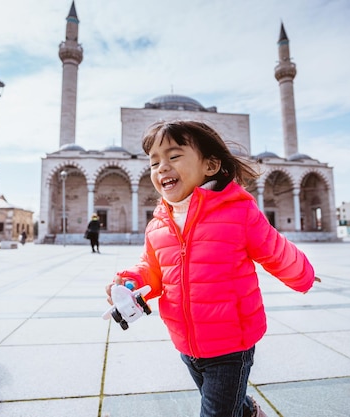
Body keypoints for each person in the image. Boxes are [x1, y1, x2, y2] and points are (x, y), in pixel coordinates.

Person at [105, 120, 320, 417]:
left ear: (210, 165)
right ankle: (248, 411)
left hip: (232, 344)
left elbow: (275, 249)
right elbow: (152, 269)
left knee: (217, 410)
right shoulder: (158, 224)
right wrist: (130, 282)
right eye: (154, 162)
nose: (162, 167)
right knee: (225, 400)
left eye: (174, 156)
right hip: (186, 342)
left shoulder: (238, 211)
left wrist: (304, 275)